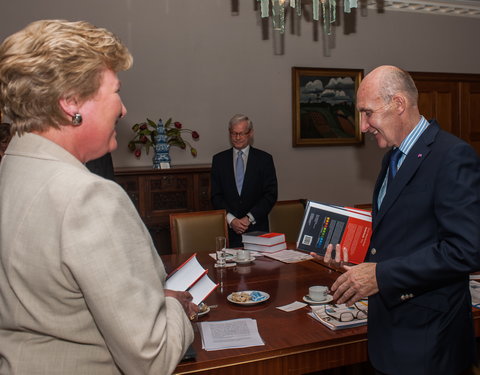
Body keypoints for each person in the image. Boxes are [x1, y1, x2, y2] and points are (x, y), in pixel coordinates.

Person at [0, 20, 197, 375]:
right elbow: (151, 358)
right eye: (116, 91)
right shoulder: (87, 198)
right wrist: (174, 309)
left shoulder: (12, 169)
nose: (123, 110)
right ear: (71, 103)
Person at [312, 65, 480, 375]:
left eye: (368, 113)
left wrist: (380, 276)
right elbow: (399, 237)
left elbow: (466, 249)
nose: (363, 126)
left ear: (398, 104)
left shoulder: (452, 155)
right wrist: (353, 262)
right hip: (390, 331)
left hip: (429, 339)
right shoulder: (392, 156)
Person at [211, 114, 278, 247]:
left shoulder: (264, 159)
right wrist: (232, 220)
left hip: (257, 229)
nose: (237, 138)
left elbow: (270, 195)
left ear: (251, 133)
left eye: (241, 133)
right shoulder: (219, 160)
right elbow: (215, 196)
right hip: (229, 231)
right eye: (234, 133)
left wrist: (248, 218)